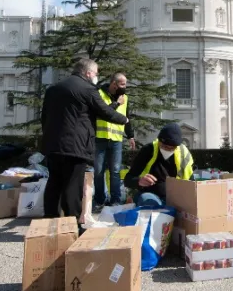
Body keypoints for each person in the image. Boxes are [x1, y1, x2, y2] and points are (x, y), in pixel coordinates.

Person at [41, 58, 129, 222]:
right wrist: (124, 120)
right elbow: (104, 111)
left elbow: (44, 117)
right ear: (88, 73)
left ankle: (49, 220)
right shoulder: (88, 89)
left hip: (53, 145)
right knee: (72, 186)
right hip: (75, 146)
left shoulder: (53, 89)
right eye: (95, 73)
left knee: (54, 182)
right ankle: (72, 223)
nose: (96, 76)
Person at [123, 123, 194, 206]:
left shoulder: (183, 154)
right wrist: (139, 181)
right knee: (147, 200)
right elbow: (128, 180)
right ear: (159, 141)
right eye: (164, 146)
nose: (168, 150)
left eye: (172, 148)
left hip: (175, 198)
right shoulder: (148, 150)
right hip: (151, 195)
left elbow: (191, 183)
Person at [94, 73, 136, 208]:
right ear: (114, 84)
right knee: (98, 171)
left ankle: (116, 201)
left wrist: (130, 136)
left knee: (115, 171)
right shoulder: (99, 94)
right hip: (100, 138)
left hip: (116, 139)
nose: (125, 87)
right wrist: (117, 103)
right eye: (123, 84)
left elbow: (126, 117)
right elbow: (103, 112)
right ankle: (100, 200)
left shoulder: (125, 98)